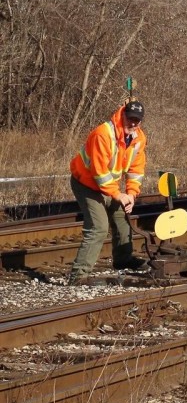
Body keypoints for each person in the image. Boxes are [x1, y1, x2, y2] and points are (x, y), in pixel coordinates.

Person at [67, 101, 149, 283]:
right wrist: (118, 194)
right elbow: (99, 172)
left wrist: (131, 194)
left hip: (107, 185)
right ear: (122, 116)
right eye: (130, 119)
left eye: (137, 121)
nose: (133, 123)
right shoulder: (103, 134)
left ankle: (122, 260)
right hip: (86, 184)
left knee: (122, 217)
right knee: (99, 227)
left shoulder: (138, 139)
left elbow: (136, 169)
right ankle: (78, 275)